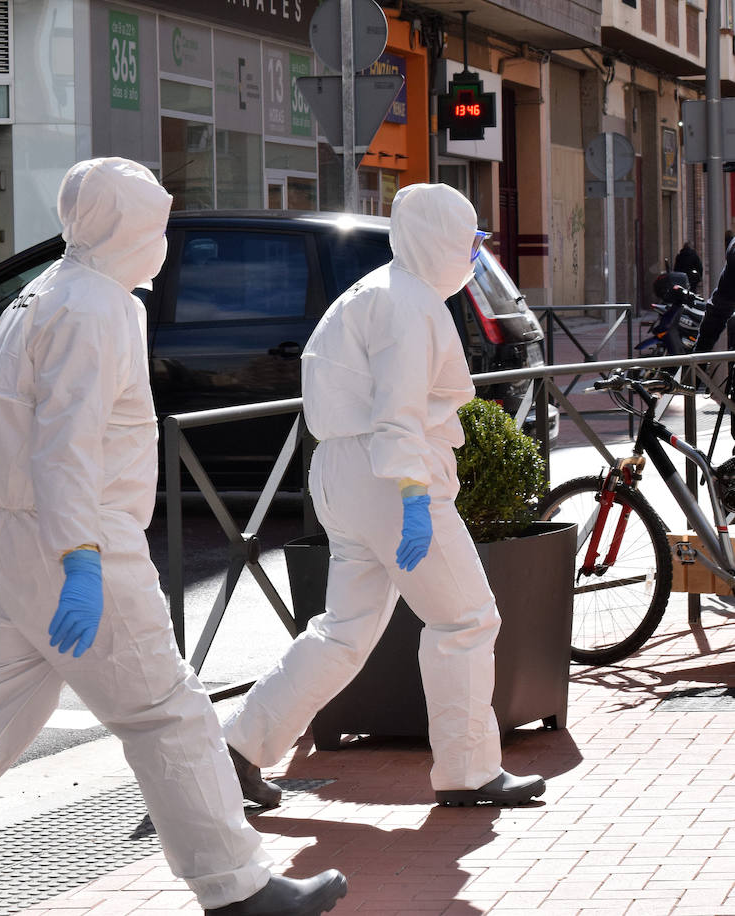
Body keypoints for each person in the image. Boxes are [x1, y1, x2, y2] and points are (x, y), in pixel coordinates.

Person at [0, 158, 347, 916]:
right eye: (153, 223)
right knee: (167, 713)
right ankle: (238, 890)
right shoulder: (97, 309)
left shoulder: (48, 292)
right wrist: (81, 561)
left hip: (16, 536)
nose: (163, 238)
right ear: (123, 228)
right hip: (77, 538)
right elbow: (68, 446)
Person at [222, 183, 546, 811]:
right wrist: (415, 498)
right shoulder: (409, 304)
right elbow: (399, 413)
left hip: (344, 474)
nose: (474, 254)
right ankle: (468, 770)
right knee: (467, 619)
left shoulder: (373, 293)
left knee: (342, 632)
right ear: (439, 240)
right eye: (470, 240)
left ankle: (237, 750)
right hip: (389, 478)